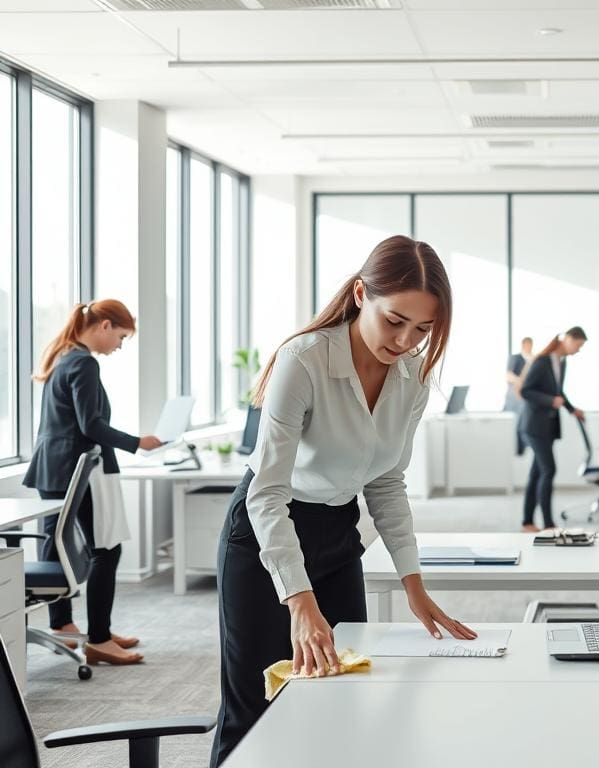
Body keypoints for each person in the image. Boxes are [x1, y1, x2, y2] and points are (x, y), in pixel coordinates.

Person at [210, 235, 477, 767]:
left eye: (424, 329)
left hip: (336, 534)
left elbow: (386, 482)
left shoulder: (412, 377)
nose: (405, 340)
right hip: (265, 537)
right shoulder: (304, 360)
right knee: (257, 709)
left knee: (342, 693)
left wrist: (414, 585)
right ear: (361, 294)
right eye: (395, 320)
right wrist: (300, 603)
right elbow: (267, 491)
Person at [23, 300, 163, 665]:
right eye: (120, 336)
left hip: (53, 467)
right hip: (74, 469)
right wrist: (137, 442)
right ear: (103, 326)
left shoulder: (64, 356)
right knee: (106, 548)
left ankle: (64, 625)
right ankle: (98, 638)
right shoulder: (84, 362)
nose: (118, 345)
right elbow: (91, 425)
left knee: (55, 540)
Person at [518, 327, 587, 533]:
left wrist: (572, 409)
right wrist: (550, 401)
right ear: (567, 339)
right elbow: (525, 391)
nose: (578, 350)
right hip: (534, 426)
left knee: (537, 472)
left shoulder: (561, 362)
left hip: (548, 426)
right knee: (549, 470)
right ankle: (548, 524)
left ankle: (527, 522)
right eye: (578, 345)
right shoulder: (542, 360)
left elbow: (558, 392)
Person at [504, 336, 534, 454]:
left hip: (526, 397)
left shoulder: (533, 359)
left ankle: (524, 446)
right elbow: (508, 375)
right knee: (515, 423)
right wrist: (521, 382)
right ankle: (517, 449)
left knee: (525, 422)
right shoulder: (515, 358)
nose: (530, 347)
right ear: (523, 345)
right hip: (515, 396)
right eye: (528, 345)